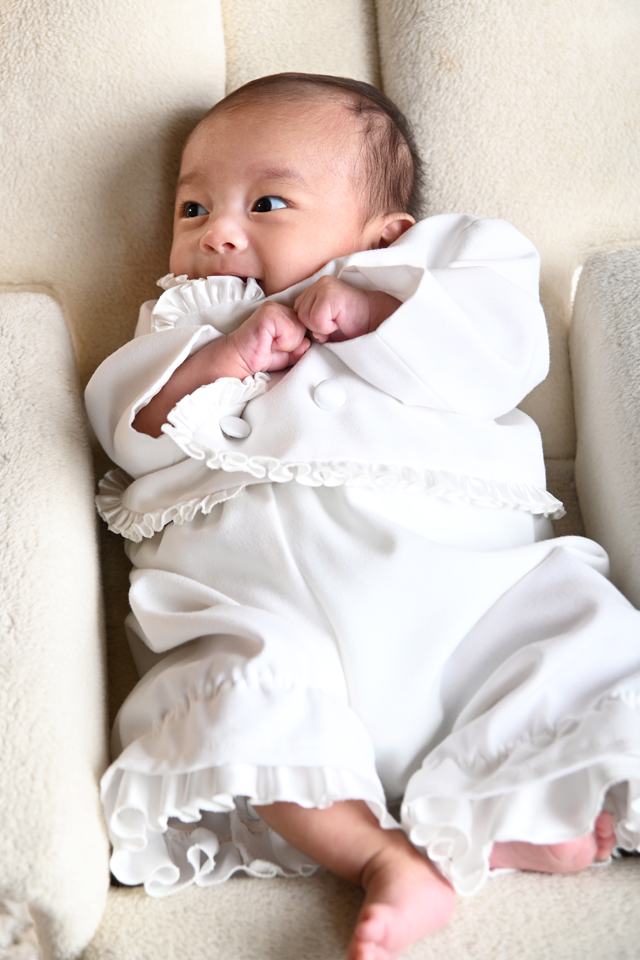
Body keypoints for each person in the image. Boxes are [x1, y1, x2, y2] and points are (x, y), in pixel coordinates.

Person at [86, 73, 640, 960]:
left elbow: (503, 349)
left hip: (465, 591)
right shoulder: (181, 325)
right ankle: (381, 857)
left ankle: (511, 811)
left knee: (568, 638)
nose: (218, 231)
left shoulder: (436, 269)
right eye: (193, 208)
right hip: (265, 621)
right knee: (227, 697)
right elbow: (132, 429)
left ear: (384, 232)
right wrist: (222, 359)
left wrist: (377, 309)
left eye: (266, 203)